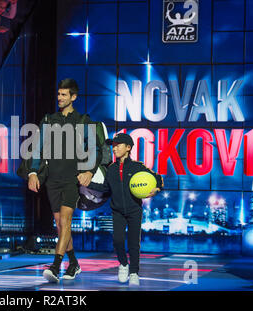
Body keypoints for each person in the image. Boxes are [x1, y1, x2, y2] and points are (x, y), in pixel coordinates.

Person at [28, 78, 102, 282]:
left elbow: (95, 149)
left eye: (63, 95)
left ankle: (55, 266)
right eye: (58, 94)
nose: (59, 98)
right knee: (61, 226)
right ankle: (74, 264)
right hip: (52, 179)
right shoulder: (49, 120)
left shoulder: (83, 120)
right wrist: (33, 172)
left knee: (66, 221)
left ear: (73, 97)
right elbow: (37, 147)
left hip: (71, 179)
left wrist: (88, 171)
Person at [87, 133, 164, 286]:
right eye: (113, 145)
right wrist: (87, 184)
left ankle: (134, 272)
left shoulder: (137, 166)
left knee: (134, 243)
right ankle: (123, 264)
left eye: (117, 145)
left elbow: (157, 178)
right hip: (117, 211)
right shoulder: (111, 169)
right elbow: (105, 189)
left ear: (128, 148)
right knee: (118, 240)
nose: (114, 148)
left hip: (134, 210)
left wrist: (157, 189)